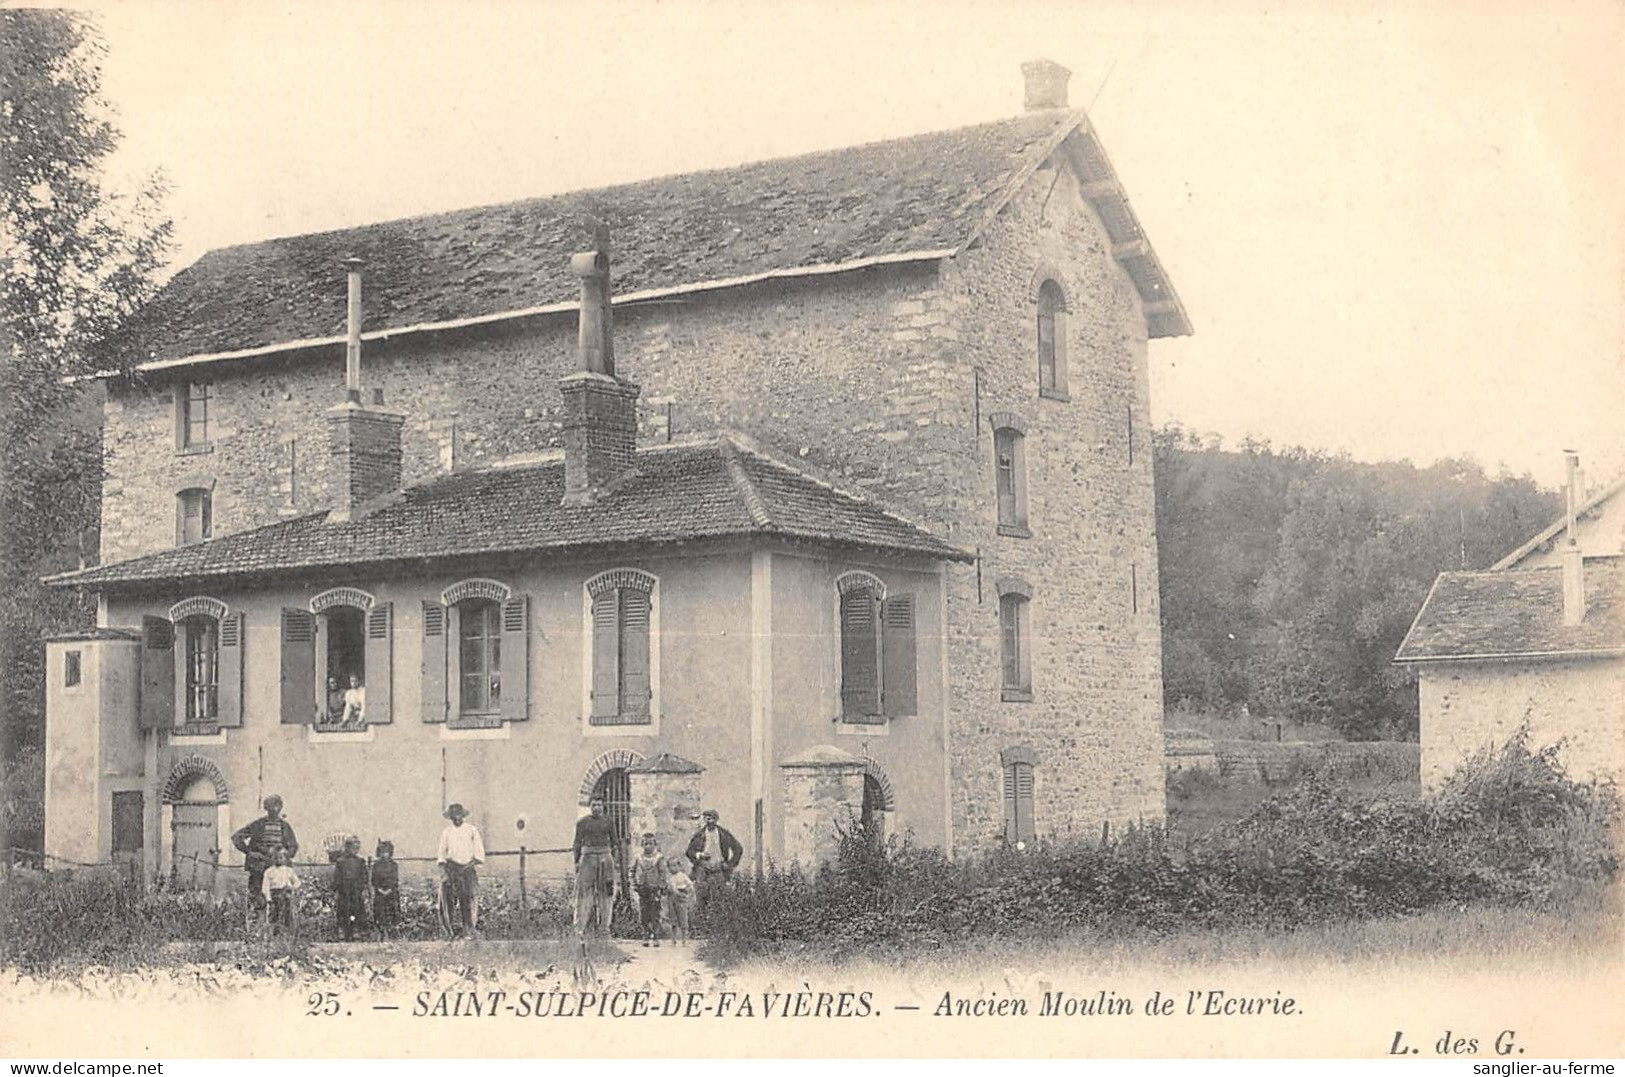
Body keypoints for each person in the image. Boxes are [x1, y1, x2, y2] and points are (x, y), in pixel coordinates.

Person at [232, 794, 299, 918]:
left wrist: (285, 855)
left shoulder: (285, 827)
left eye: (277, 806)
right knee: (257, 898)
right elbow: (236, 837)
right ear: (266, 808)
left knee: (280, 900)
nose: (274, 809)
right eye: (271, 806)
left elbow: (293, 846)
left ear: (281, 808)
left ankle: (278, 928)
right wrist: (249, 852)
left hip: (278, 870)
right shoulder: (258, 825)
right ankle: (256, 926)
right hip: (259, 868)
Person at [571, 797, 618, 939]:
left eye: (599, 805)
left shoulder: (609, 822)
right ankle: (580, 929)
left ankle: (604, 929)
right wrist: (577, 862)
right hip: (588, 858)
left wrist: (611, 859)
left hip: (605, 858)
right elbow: (577, 843)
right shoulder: (582, 823)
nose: (596, 807)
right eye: (594, 805)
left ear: (603, 806)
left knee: (607, 893)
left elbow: (615, 843)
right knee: (584, 893)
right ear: (590, 806)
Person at [437, 803, 484, 936]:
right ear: (451, 817)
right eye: (453, 816)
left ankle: (469, 929)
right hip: (451, 868)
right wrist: (444, 871)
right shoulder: (447, 832)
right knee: (448, 900)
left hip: (467, 868)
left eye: (458, 815)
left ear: (462, 816)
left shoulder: (471, 830)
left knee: (468, 898)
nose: (456, 818)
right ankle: (450, 931)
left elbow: (479, 851)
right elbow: (441, 853)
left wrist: (472, 863)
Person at [685, 808, 743, 916]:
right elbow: (689, 851)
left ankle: (717, 924)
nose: (709, 821)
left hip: (718, 869)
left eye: (711, 819)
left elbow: (738, 849)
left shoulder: (723, 834)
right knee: (701, 896)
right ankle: (701, 923)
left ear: (716, 820)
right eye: (706, 819)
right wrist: (699, 855)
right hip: (702, 868)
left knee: (719, 896)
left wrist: (729, 865)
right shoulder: (699, 835)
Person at [631, 833, 666, 948]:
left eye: (650, 844)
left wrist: (661, 886)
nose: (648, 846)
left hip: (654, 888)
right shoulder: (638, 857)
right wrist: (634, 884)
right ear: (642, 845)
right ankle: (645, 934)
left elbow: (662, 873)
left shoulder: (659, 858)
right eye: (645, 844)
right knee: (644, 912)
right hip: (642, 888)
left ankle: (655, 935)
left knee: (655, 912)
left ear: (654, 844)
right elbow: (632, 871)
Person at [332, 837, 368, 941]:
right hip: (344, 891)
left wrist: (362, 887)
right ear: (347, 848)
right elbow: (337, 877)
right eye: (353, 847)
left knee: (356, 910)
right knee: (343, 910)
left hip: (356, 890)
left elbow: (363, 875)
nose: (355, 850)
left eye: (357, 848)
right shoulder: (341, 862)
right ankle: (342, 930)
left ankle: (356, 929)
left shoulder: (360, 861)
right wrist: (336, 887)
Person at [262, 848, 299, 935]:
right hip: (275, 894)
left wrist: (292, 887)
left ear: (285, 859)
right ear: (273, 859)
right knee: (275, 914)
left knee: (288, 913)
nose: (278, 860)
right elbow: (265, 886)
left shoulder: (289, 870)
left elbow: (297, 883)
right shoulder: (269, 871)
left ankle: (289, 932)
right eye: (276, 857)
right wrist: (268, 898)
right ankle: (275, 933)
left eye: (281, 857)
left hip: (286, 894)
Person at [370, 840, 401, 939]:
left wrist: (389, 890)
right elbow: (374, 880)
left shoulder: (394, 865)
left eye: (387, 852)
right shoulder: (376, 865)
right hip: (379, 893)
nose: (385, 854)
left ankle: (392, 932)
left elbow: (395, 880)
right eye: (383, 852)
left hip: (391, 892)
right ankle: (381, 932)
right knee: (380, 912)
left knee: (392, 911)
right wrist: (380, 890)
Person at [664, 854, 693, 945]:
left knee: (683, 917)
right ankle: (673, 938)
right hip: (672, 899)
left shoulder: (683, 876)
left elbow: (690, 885)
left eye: (675, 865)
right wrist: (671, 890)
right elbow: (670, 888)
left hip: (681, 897)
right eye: (670, 866)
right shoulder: (670, 878)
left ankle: (684, 938)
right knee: (673, 918)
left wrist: (687, 892)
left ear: (679, 866)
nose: (673, 868)